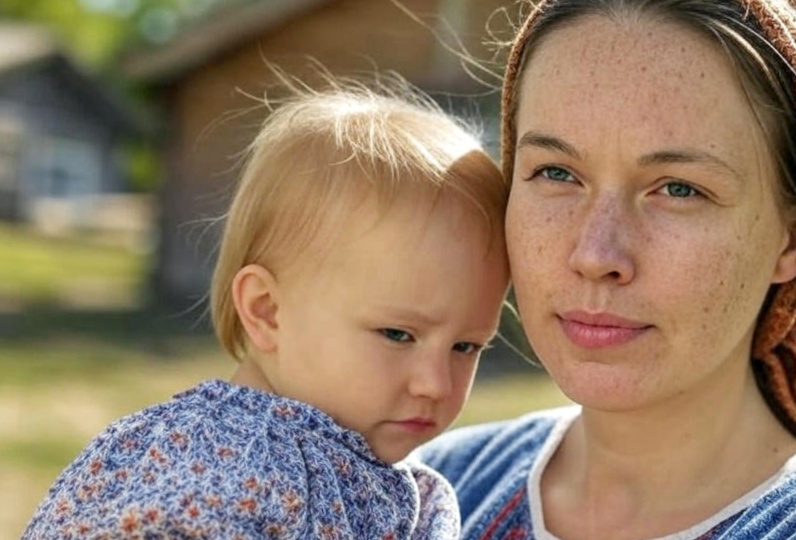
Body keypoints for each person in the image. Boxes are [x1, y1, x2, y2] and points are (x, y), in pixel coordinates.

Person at [416, 0, 796, 538]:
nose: (597, 255)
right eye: (557, 172)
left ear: (793, 238)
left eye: (678, 189)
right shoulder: (428, 494)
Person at [22, 78, 510, 540]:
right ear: (267, 311)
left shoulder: (390, 474)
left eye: (466, 346)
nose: (436, 384)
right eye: (398, 335)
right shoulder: (218, 458)